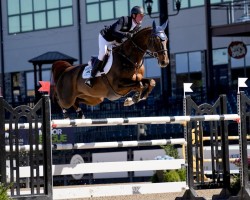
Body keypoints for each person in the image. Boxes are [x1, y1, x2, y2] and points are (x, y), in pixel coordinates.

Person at [85, 6, 145, 88]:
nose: (142, 17)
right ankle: (91, 77)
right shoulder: (124, 20)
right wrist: (126, 34)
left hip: (117, 41)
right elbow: (114, 31)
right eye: (140, 15)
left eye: (142, 16)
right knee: (103, 53)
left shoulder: (138, 26)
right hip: (106, 38)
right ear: (134, 15)